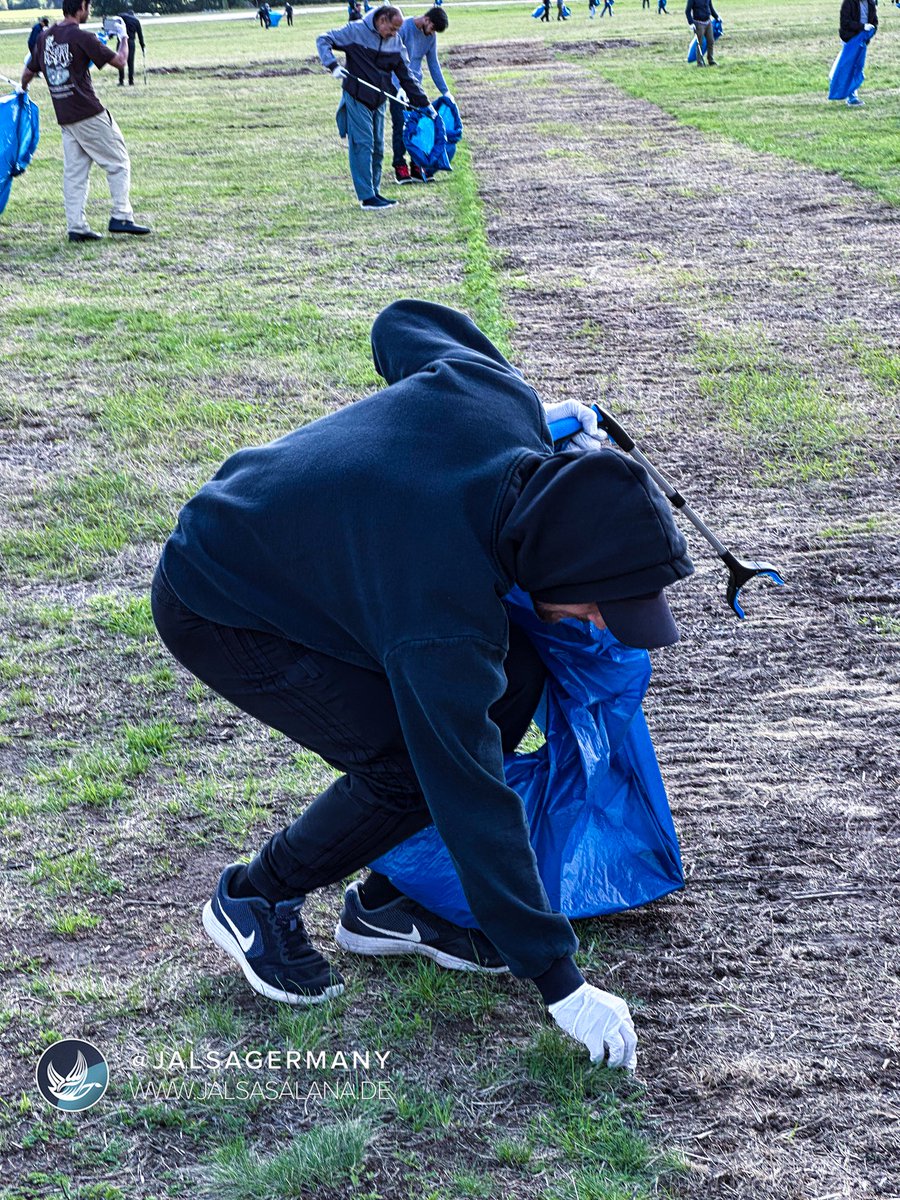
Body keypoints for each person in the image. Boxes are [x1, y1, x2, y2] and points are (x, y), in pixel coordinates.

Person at [151, 298, 694, 1069]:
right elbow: (468, 789)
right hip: (223, 596)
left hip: (306, 550)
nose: (604, 628)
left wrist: (503, 407)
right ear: (556, 567)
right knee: (413, 769)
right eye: (601, 608)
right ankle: (255, 894)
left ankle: (390, 900)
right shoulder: (444, 618)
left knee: (519, 674)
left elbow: (401, 324)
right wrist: (561, 981)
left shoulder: (498, 400)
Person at [20, 0, 150, 242]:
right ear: (81, 6)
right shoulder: (82, 37)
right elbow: (120, 61)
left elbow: (28, 71)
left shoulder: (45, 37)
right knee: (119, 161)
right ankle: (121, 215)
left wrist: (22, 90)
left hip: (65, 116)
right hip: (88, 112)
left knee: (75, 174)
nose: (89, 12)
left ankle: (77, 227)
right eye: (88, 6)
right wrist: (122, 37)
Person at [317, 5, 433, 212]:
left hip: (380, 99)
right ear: (381, 21)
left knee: (378, 147)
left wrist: (425, 104)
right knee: (363, 145)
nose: (395, 34)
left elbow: (406, 76)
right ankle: (366, 197)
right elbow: (323, 39)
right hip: (357, 96)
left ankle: (375, 191)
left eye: (398, 30)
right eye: (392, 29)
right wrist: (332, 65)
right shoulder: (355, 31)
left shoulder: (395, 42)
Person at [389, 6, 450, 185]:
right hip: (397, 86)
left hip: (415, 87)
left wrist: (445, 91)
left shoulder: (431, 37)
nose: (431, 33)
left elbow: (433, 64)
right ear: (426, 20)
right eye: (432, 28)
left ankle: (417, 164)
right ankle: (399, 166)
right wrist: (399, 87)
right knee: (400, 125)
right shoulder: (404, 28)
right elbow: (394, 59)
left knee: (418, 125)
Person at [838, 0, 878, 105]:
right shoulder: (849, 3)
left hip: (862, 41)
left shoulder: (870, 3)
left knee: (857, 67)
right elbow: (845, 23)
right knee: (850, 67)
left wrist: (869, 33)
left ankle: (850, 92)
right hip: (849, 40)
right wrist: (862, 27)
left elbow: (874, 22)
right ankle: (852, 97)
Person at [117, 7, 145, 87]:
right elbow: (140, 35)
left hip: (121, 41)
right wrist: (142, 46)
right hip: (131, 42)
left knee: (120, 61)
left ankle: (121, 80)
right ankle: (131, 81)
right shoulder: (136, 21)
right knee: (130, 62)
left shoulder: (122, 18)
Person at [686, 0, 720, 65]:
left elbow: (710, 7)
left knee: (711, 41)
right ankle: (700, 62)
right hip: (698, 24)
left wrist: (716, 17)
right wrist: (691, 23)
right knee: (700, 43)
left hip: (708, 22)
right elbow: (687, 11)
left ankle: (711, 60)